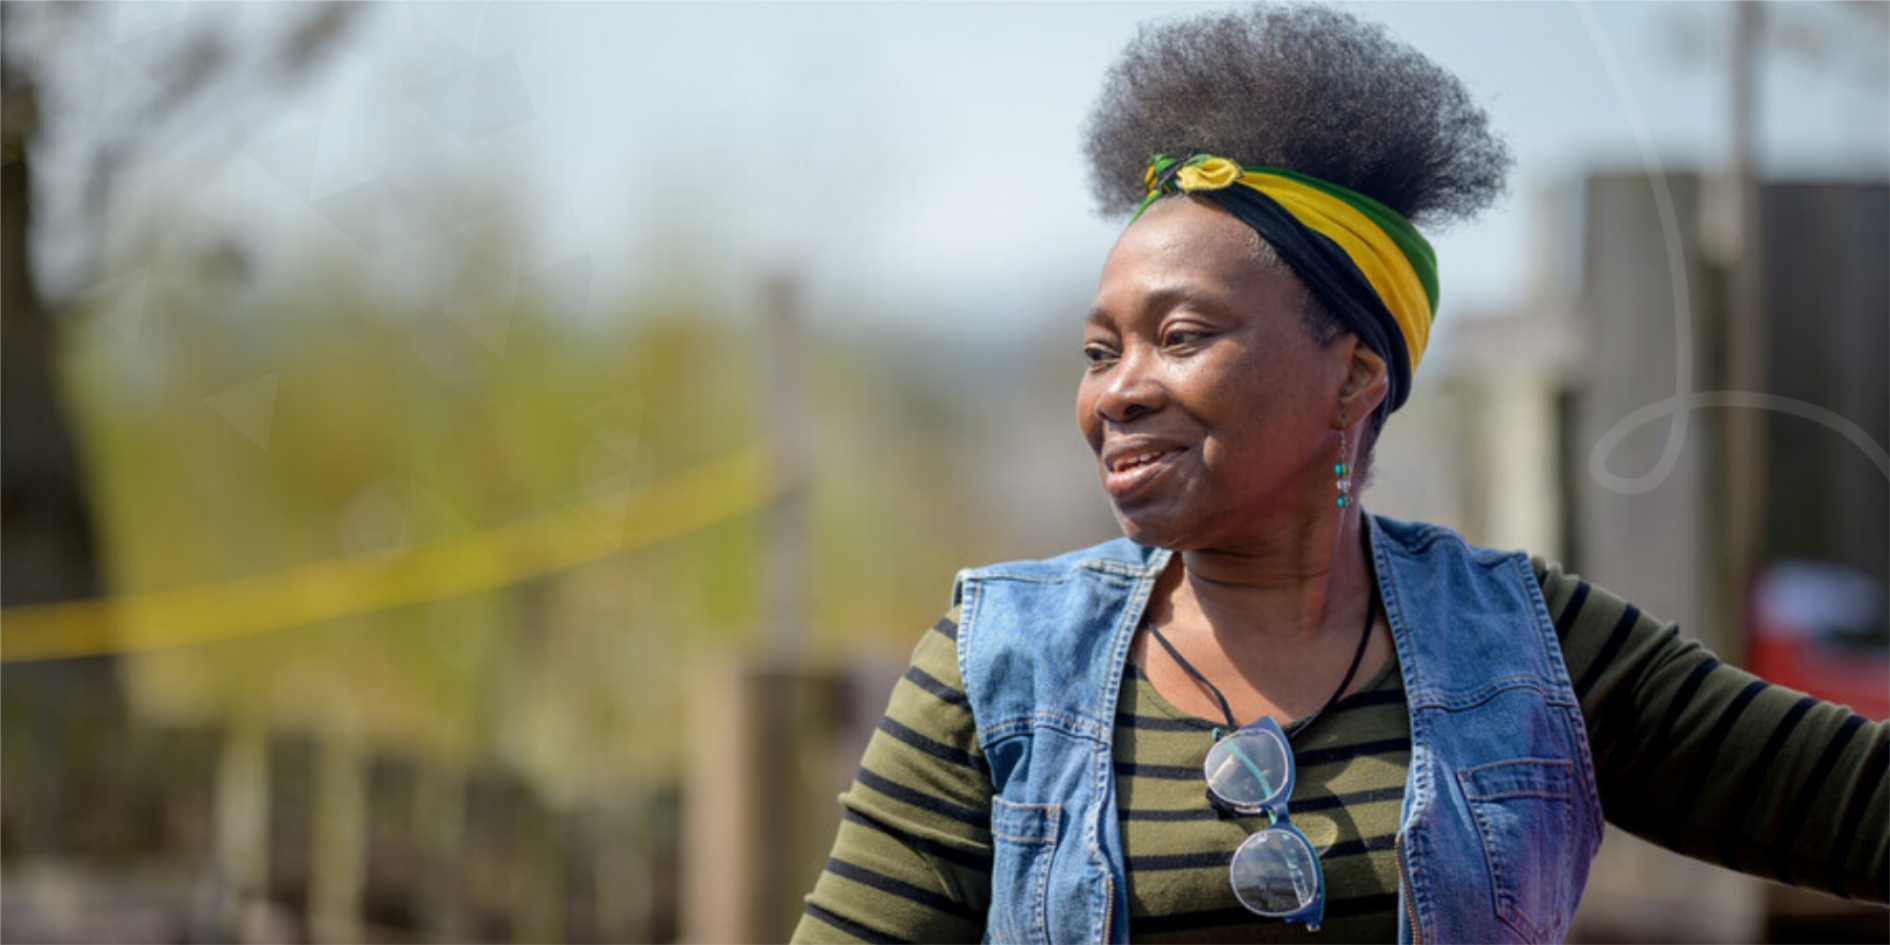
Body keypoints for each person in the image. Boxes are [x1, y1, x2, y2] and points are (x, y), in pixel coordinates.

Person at [792, 6, 1889, 943]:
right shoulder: (998, 666)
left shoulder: (1529, 649)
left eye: (1179, 335)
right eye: (1099, 350)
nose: (1118, 390)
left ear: (1355, 375)